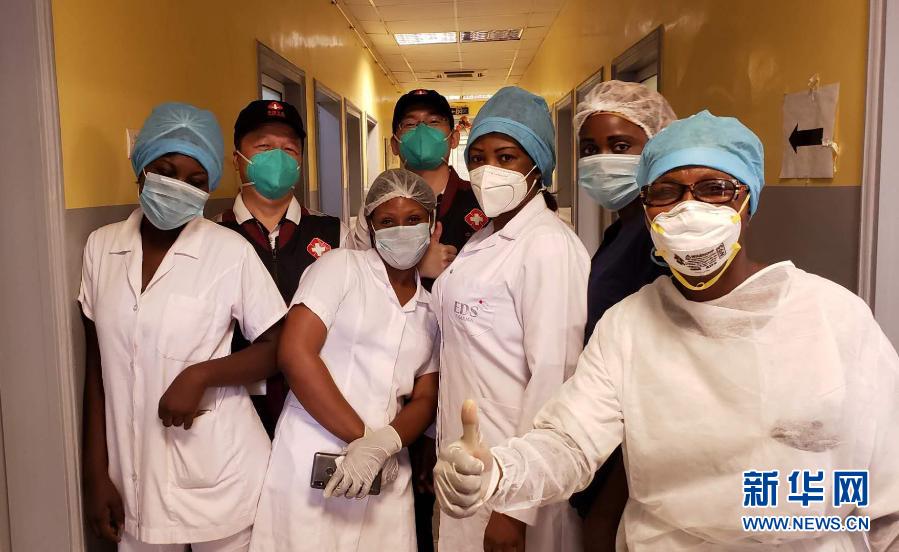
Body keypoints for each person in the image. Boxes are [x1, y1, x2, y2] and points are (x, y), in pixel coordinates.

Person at [434, 111, 899, 551]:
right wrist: (500, 472)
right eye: (667, 192)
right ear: (646, 208)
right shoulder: (628, 327)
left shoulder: (833, 317)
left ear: (748, 201)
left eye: (714, 189)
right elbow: (570, 443)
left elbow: (888, 494)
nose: (688, 209)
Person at [79, 103, 286, 551]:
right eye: (165, 172)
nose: (178, 187)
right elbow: (97, 371)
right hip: (131, 480)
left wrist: (201, 375)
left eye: (196, 181)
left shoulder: (229, 251)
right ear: (141, 169)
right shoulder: (101, 248)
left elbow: (277, 345)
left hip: (222, 473)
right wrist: (94, 474)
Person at [431, 86, 589, 552]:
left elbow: (554, 379)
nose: (488, 171)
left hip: (513, 478)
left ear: (536, 167)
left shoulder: (548, 246)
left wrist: (514, 508)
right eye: (477, 158)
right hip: (466, 462)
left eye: (506, 157)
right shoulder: (484, 236)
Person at [249, 169, 440, 552]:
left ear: (432, 225)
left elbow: (425, 396)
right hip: (312, 457)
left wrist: (384, 444)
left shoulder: (431, 307)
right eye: (387, 221)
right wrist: (364, 440)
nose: (401, 230)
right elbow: (295, 353)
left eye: (413, 220)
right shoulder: (339, 268)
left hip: (386, 471)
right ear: (370, 225)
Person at [348, 88, 486, 550]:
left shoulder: (482, 205)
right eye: (410, 125)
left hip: (464, 377)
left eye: (434, 122)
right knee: (398, 508)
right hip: (395, 379)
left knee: (455, 505)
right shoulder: (375, 208)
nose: (422, 132)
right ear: (394, 142)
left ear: (453, 136)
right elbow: (363, 283)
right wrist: (416, 268)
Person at [569, 80, 676, 550]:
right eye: (590, 149)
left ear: (656, 146)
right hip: (606, 429)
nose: (601, 160)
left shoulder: (659, 238)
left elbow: (660, 372)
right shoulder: (622, 231)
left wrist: (611, 499)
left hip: (632, 451)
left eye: (619, 146)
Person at [217, 99, 346, 438]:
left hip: (320, 404)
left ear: (301, 161)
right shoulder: (212, 237)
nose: (277, 158)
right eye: (263, 147)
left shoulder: (335, 234)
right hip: (235, 408)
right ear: (236, 159)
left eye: (289, 149)